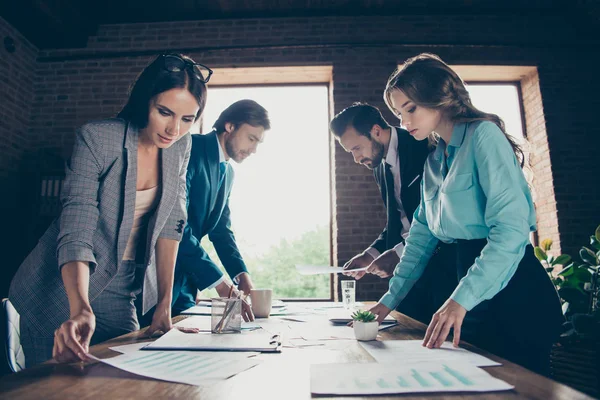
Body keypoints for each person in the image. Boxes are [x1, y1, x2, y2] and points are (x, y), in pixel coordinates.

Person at [368, 53, 564, 375]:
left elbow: (511, 231)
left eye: (410, 109)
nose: (403, 123)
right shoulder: (434, 161)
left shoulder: (483, 136)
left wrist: (461, 299)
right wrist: (387, 303)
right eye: (398, 113)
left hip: (514, 295)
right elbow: (419, 242)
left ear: (439, 98)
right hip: (467, 292)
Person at [8, 53, 209, 367]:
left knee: (126, 377)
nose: (174, 129)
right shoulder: (98, 138)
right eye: (164, 112)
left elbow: (171, 223)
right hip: (62, 285)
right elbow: (77, 228)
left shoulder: (181, 147)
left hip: (124, 285)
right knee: (57, 386)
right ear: (145, 102)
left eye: (187, 119)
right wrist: (80, 309)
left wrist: (164, 303)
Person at [330, 103, 456, 324]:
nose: (356, 158)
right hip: (409, 275)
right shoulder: (378, 165)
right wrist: (370, 254)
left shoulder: (424, 145)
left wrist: (399, 252)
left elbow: (441, 217)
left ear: (376, 131)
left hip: (445, 268)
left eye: (357, 148)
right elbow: (399, 221)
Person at [168, 99, 271, 322]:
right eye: (251, 139)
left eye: (258, 143)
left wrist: (241, 274)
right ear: (230, 126)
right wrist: (221, 284)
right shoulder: (190, 149)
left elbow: (221, 232)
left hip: (187, 283)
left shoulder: (229, 173)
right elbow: (176, 225)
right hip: (158, 277)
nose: (253, 150)